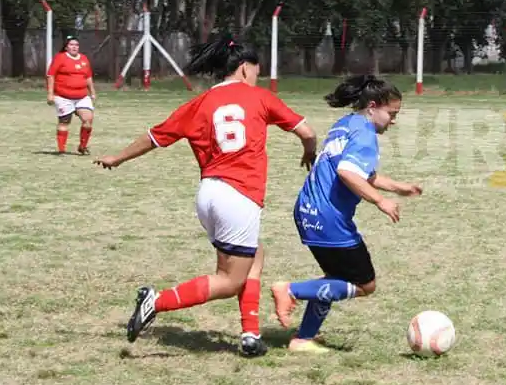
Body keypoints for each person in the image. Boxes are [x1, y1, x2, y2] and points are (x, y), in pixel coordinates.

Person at [93, 34, 317, 357]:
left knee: (255, 254)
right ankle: (156, 302)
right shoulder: (260, 98)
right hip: (239, 196)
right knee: (228, 281)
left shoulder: (199, 104)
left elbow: (154, 137)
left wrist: (118, 157)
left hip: (209, 194)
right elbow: (308, 133)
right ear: (243, 68)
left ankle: (251, 334)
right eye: (256, 69)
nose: (258, 76)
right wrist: (309, 152)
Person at [270, 75, 422, 354]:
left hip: (307, 210)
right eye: (392, 114)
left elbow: (362, 172)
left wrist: (397, 187)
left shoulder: (346, 124)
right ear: (373, 106)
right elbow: (348, 172)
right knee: (365, 284)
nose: (394, 121)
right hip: (329, 219)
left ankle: (303, 339)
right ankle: (290, 289)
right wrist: (381, 201)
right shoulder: (365, 134)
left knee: (335, 277)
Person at [46, 35, 96, 154]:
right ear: (66, 47)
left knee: (88, 120)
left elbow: (88, 77)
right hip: (63, 96)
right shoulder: (60, 58)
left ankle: (83, 146)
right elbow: (50, 75)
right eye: (71, 45)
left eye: (76, 45)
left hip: (82, 96)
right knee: (64, 122)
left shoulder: (83, 59)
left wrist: (92, 92)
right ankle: (62, 150)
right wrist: (50, 94)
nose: (74, 47)